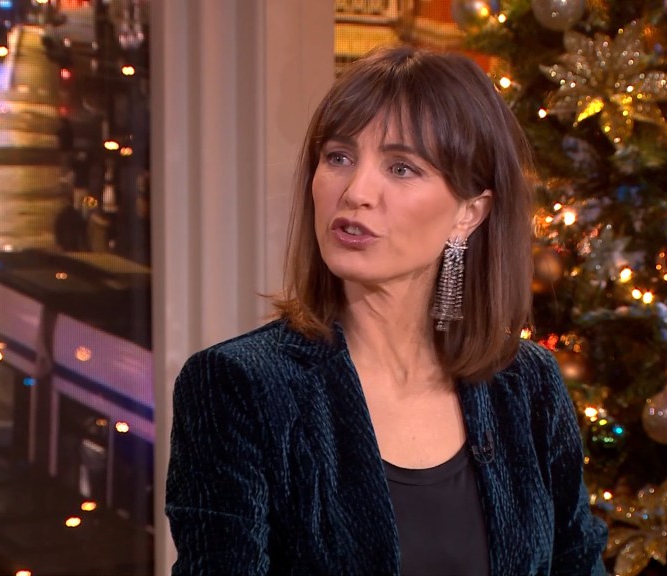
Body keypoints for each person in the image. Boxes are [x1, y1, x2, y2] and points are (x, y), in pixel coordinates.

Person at [165, 46, 608, 575]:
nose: (356, 192)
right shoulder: (238, 387)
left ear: (470, 212)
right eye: (339, 157)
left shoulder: (527, 384)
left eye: (401, 167)